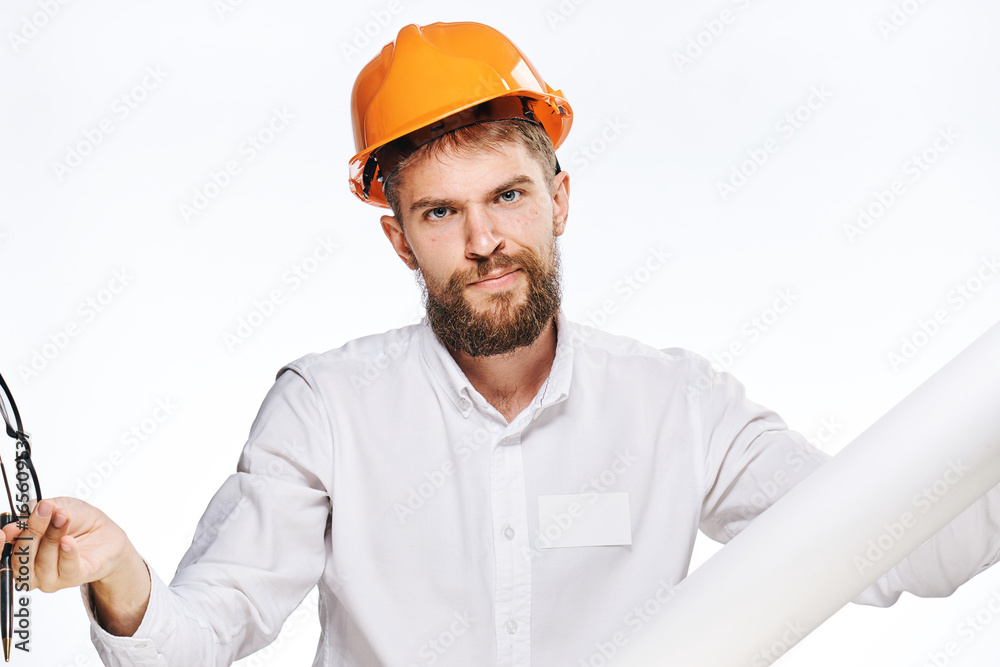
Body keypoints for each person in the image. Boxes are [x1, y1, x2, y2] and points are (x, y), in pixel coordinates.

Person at [5, 21, 1000, 667]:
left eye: (508, 196)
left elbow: (893, 542)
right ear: (398, 235)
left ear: (557, 198)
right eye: (441, 212)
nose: (484, 242)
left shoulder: (675, 408)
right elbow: (200, 635)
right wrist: (121, 571)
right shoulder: (328, 410)